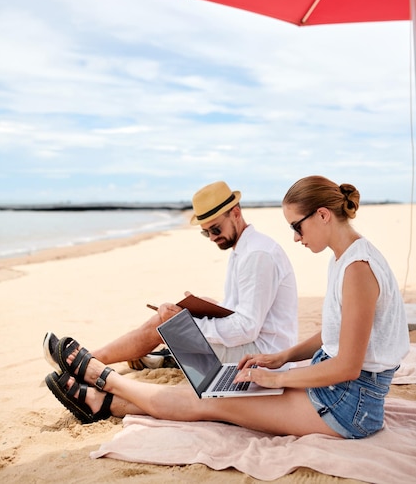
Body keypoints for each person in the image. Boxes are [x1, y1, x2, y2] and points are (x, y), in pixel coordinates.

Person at [45, 175, 410, 438]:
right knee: (212, 395)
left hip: (349, 406)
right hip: (339, 391)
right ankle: (99, 401)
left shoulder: (356, 269)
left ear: (323, 215)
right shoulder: (345, 259)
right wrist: (282, 358)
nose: (296, 238)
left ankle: (101, 377)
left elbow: (347, 366)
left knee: (210, 403)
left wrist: (278, 378)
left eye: (297, 227)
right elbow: (335, 333)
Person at [44, 180, 298, 371]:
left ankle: (87, 363)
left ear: (236, 213)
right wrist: (205, 309)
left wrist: (187, 323)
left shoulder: (257, 255)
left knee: (165, 321)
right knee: (175, 313)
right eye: (205, 232)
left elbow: (246, 329)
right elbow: (245, 314)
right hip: (257, 348)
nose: (212, 237)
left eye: (215, 229)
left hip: (262, 357)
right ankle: (118, 357)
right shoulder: (245, 249)